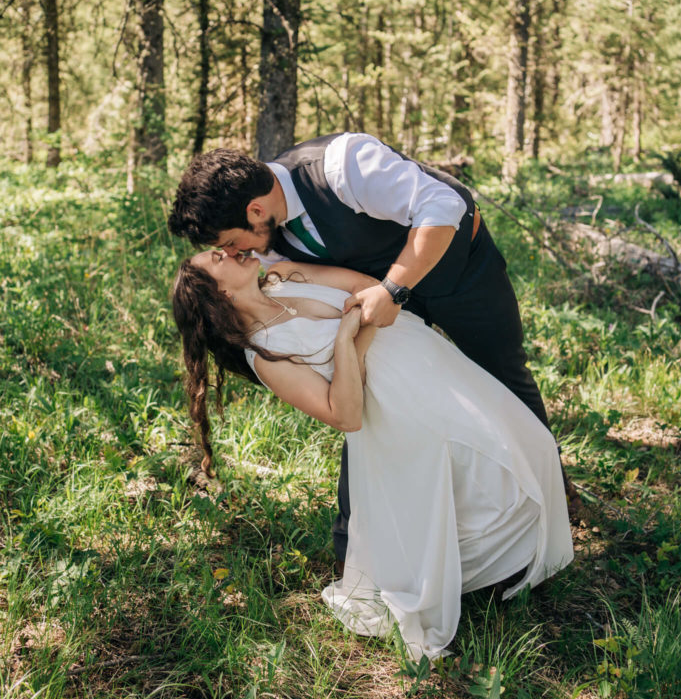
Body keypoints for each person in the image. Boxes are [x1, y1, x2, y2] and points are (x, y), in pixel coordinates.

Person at [167, 132, 577, 567]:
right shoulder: (261, 255)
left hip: (459, 271)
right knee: (381, 412)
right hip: (373, 311)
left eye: (230, 242)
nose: (231, 252)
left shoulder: (343, 165)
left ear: (255, 210)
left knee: (503, 374)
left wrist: (394, 288)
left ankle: (550, 493)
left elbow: (443, 207)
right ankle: (355, 544)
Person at [172, 251, 574, 660]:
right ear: (219, 291)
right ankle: (487, 573)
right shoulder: (266, 354)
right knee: (473, 463)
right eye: (218, 257)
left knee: (527, 440)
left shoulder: (281, 275)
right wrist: (347, 342)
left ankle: (511, 560)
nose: (232, 250)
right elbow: (343, 414)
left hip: (423, 353)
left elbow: (364, 285)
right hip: (396, 402)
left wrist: (358, 334)